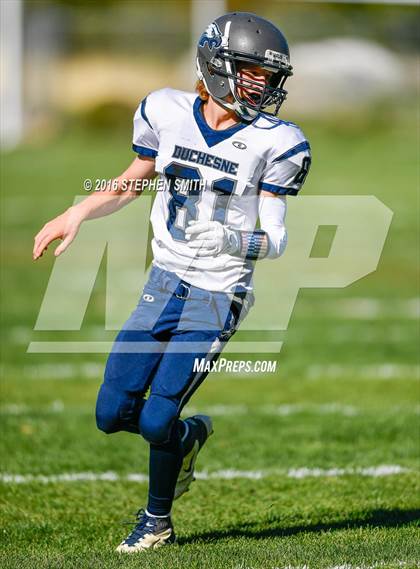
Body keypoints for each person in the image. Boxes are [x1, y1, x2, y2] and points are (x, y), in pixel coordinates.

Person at [33, 11, 311, 553]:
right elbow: (133, 181)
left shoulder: (279, 142)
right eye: (252, 72)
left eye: (269, 76)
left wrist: (233, 239)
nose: (263, 85)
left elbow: (276, 240)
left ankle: (156, 521)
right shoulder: (165, 110)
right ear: (216, 65)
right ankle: (189, 437)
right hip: (163, 281)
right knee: (111, 415)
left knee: (158, 417)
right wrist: (78, 211)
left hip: (219, 293)